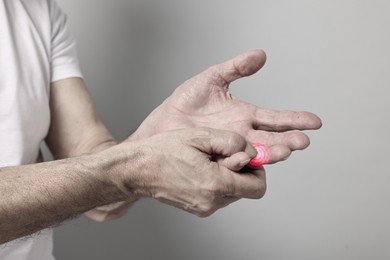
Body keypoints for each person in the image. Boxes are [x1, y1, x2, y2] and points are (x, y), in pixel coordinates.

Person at [0, 0, 322, 259]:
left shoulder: (39, 11)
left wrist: (153, 141)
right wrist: (136, 166)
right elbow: (113, 172)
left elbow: (95, 181)